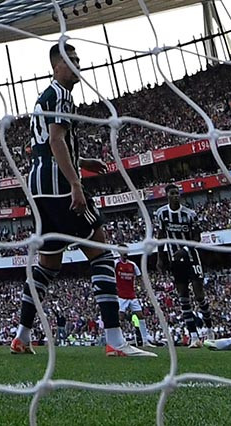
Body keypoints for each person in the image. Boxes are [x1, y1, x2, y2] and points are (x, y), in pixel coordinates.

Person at [11, 43, 154, 357]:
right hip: (60, 186)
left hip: (38, 188)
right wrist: (76, 183)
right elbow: (56, 139)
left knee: (49, 263)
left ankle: (21, 336)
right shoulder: (61, 94)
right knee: (101, 251)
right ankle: (115, 341)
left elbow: (45, 144)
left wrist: (82, 160)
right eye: (70, 59)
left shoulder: (44, 97)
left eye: (78, 59)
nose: (77, 64)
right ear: (56, 65)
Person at [154, 185, 212, 347]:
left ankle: (210, 331)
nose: (175, 196)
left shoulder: (189, 214)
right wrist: (160, 257)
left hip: (192, 258)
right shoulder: (161, 213)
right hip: (174, 260)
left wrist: (184, 250)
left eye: (177, 194)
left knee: (199, 296)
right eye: (172, 194)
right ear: (167, 196)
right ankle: (193, 337)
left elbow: (197, 238)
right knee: (183, 298)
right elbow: (160, 236)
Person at [115, 249, 154, 346]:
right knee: (121, 317)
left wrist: (143, 288)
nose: (125, 254)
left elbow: (139, 276)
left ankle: (145, 341)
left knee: (140, 315)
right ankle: (119, 340)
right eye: (123, 253)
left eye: (126, 252)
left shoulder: (132, 264)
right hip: (121, 296)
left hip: (132, 295)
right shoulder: (115, 264)